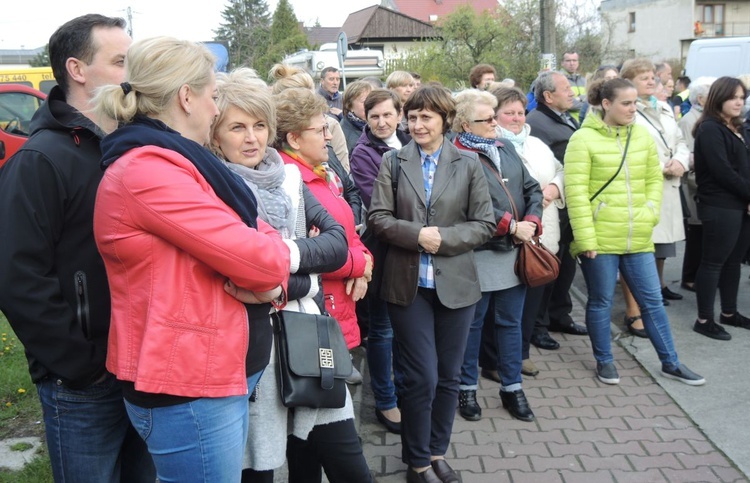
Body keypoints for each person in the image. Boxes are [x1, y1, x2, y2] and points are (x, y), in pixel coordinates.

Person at [92, 37, 290, 482]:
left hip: (208, 376)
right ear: (186, 97)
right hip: (187, 386)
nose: (217, 110)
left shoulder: (181, 163)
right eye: (213, 97)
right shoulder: (149, 171)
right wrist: (272, 275)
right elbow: (263, 258)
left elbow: (259, 231)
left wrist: (270, 273)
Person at [0, 14, 155, 483]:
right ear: (78, 69)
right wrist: (79, 366)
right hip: (83, 382)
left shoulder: (130, 146)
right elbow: (17, 277)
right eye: (121, 61)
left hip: (142, 372)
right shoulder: (40, 159)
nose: (134, 72)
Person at [209, 68, 371, 483]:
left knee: (351, 467)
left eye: (260, 125)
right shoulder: (210, 187)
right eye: (237, 127)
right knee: (259, 469)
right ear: (215, 134)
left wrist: (281, 274)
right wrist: (301, 273)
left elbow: (336, 243)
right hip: (251, 355)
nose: (252, 138)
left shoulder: (290, 178)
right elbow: (238, 277)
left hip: (307, 338)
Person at [368, 86, 495, 483]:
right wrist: (418, 235)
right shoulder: (393, 162)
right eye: (413, 117)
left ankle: (438, 452)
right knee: (420, 375)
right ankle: (417, 461)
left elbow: (485, 224)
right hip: (408, 287)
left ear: (445, 119)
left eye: (427, 117)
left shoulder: (469, 163)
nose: (418, 125)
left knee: (449, 376)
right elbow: (378, 218)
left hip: (456, 286)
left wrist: (446, 239)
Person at [565, 77, 705, 387]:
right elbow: (575, 193)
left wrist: (650, 212)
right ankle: (605, 361)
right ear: (606, 104)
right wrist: (586, 239)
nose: (633, 109)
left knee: (652, 301)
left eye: (634, 103)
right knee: (600, 301)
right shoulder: (582, 140)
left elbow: (653, 180)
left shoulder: (640, 135)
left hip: (637, 235)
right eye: (626, 103)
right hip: (599, 239)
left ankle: (670, 362)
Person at [452, 89, 543, 423]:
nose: (495, 124)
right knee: (472, 326)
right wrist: (509, 226)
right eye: (487, 119)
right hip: (477, 254)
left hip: (513, 254)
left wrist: (531, 221)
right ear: (464, 123)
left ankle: (512, 387)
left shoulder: (504, 147)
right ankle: (466, 388)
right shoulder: (456, 154)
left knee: (509, 323)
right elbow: (462, 206)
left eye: (495, 116)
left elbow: (531, 188)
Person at [274, 87, 372, 364]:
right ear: (294, 138)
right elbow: (304, 253)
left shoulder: (319, 174)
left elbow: (347, 231)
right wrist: (358, 265)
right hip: (316, 312)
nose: (329, 136)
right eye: (320, 131)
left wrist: (365, 260)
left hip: (337, 305)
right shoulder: (290, 185)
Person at [491, 86, 565, 378]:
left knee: (532, 296)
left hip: (541, 234)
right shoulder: (490, 145)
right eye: (508, 112)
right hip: (508, 235)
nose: (516, 118)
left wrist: (553, 188)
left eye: (520, 112)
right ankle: (495, 360)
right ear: (494, 116)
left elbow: (560, 169)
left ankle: (521, 354)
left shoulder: (536, 144)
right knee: (503, 305)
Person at [349, 88, 411, 434]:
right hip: (386, 250)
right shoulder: (363, 153)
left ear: (399, 114)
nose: (382, 122)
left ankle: (405, 392)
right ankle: (385, 402)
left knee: (407, 328)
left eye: (388, 115)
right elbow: (380, 203)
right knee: (383, 330)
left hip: (415, 247)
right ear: (366, 119)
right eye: (375, 117)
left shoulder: (410, 141)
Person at [620, 58, 689, 336]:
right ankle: (632, 310)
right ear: (628, 85)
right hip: (644, 187)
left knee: (661, 248)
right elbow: (625, 151)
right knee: (636, 250)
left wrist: (681, 162)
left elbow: (680, 142)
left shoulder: (663, 106)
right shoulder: (628, 111)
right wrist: (662, 167)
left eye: (652, 77)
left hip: (669, 186)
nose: (651, 81)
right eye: (643, 78)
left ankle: (653, 297)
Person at [526, 71, 589, 340]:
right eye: (565, 88)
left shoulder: (563, 117)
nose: (572, 92)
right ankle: (539, 326)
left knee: (565, 265)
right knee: (548, 267)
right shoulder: (537, 123)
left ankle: (559, 316)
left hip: (567, 202)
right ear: (548, 96)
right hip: (551, 208)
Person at [692, 76, 750, 340]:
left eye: (742, 97)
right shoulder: (710, 129)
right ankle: (704, 319)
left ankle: (729, 312)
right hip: (719, 205)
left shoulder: (735, 127)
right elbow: (722, 171)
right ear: (719, 99)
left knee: (733, 262)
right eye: (733, 97)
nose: (739, 102)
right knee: (713, 262)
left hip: (739, 203)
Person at [678, 77, 715, 292]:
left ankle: (697, 275)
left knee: (703, 234)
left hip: (702, 186)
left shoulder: (705, 117)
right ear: (700, 98)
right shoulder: (689, 120)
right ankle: (689, 277)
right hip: (694, 186)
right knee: (696, 234)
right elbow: (691, 156)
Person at [340, 80, 374, 154]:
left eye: (372, 100)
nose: (369, 104)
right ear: (350, 106)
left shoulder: (371, 126)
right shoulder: (347, 135)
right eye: (364, 101)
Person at [561, 51, 586, 120]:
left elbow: (591, 100)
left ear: (578, 63)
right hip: (568, 122)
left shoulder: (584, 80)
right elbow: (568, 105)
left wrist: (577, 99)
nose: (572, 63)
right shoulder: (559, 80)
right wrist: (583, 99)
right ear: (562, 63)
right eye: (568, 61)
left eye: (574, 60)